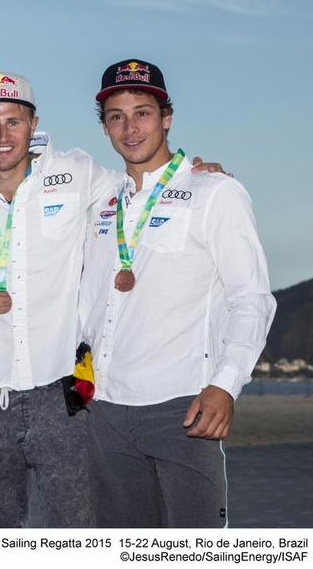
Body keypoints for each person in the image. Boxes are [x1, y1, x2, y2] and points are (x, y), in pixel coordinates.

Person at [0, 71, 231, 528]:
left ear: (33, 124)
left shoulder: (77, 173)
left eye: (13, 121)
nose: (2, 135)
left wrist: (197, 178)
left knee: (76, 531)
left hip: (65, 394)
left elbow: (140, 191)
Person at [80, 58, 276, 527]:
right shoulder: (101, 200)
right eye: (116, 116)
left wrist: (226, 384)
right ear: (104, 126)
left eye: (142, 112)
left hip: (183, 407)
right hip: (102, 407)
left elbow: (250, 298)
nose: (130, 128)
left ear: (167, 117)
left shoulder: (215, 192)